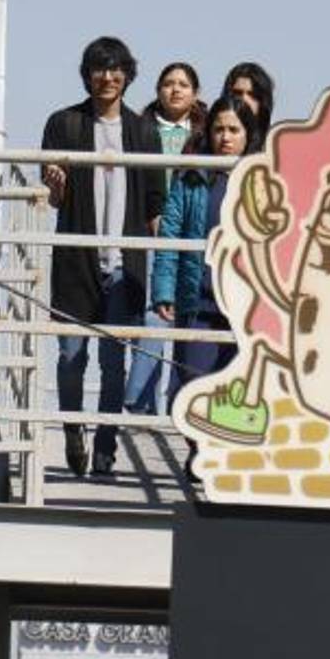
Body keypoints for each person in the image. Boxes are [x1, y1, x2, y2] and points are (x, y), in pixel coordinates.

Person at [41, 36, 166, 476]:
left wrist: (160, 273)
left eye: (115, 70)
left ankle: (106, 445)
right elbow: (53, 199)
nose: (107, 77)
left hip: (124, 265)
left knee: (115, 363)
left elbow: (155, 206)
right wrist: (56, 184)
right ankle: (74, 431)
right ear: (87, 74)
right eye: (98, 68)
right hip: (77, 261)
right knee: (71, 357)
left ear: (127, 75)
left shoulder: (143, 132)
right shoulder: (65, 124)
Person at [150, 95, 266, 414]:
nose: (225, 137)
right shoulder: (191, 176)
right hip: (198, 297)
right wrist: (163, 288)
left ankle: (214, 460)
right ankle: (197, 453)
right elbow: (170, 233)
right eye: (219, 129)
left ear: (248, 134)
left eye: (233, 130)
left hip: (245, 304)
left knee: (237, 389)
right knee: (190, 385)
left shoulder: (263, 180)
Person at [125, 62, 205, 415]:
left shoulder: (204, 131)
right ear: (157, 89)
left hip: (190, 227)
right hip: (148, 227)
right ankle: (142, 401)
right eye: (168, 83)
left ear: (195, 93)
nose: (175, 90)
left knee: (181, 313)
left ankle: (177, 400)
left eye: (183, 84)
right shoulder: (142, 128)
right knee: (151, 313)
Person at [220, 61, 275, 137]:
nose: (244, 99)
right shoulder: (209, 141)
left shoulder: (272, 144)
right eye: (238, 93)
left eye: (252, 95)